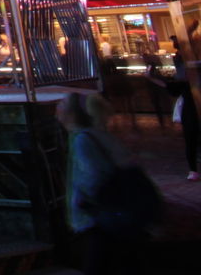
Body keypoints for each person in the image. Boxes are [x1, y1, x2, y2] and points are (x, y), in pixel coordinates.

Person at [62, 91, 154, 273]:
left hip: (102, 214)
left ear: (72, 114)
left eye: (62, 107)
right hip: (115, 212)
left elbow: (95, 173)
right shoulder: (101, 136)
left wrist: (85, 201)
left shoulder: (83, 139)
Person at [163, 72, 199, 181]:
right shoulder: (186, 85)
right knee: (191, 143)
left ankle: (193, 171)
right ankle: (193, 170)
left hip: (190, 117)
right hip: (191, 118)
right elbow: (169, 86)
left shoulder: (187, 85)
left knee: (191, 144)